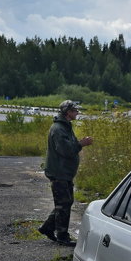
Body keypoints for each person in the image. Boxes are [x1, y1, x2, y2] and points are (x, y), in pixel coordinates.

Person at [38, 100, 93, 245]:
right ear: (68, 112)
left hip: (64, 173)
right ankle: (62, 237)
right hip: (59, 173)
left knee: (65, 203)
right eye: (75, 110)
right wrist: (81, 143)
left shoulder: (65, 127)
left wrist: (79, 144)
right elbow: (66, 150)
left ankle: (47, 228)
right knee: (63, 204)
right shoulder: (58, 129)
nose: (77, 113)